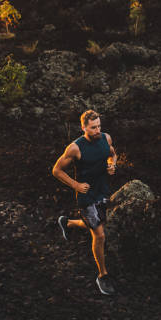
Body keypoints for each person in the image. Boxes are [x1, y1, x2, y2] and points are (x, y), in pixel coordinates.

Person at [52, 110, 118, 295]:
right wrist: (76, 185)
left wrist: (113, 164)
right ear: (83, 128)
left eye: (99, 126)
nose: (97, 130)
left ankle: (68, 222)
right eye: (93, 127)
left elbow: (112, 154)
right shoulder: (75, 148)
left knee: (97, 224)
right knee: (100, 235)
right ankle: (102, 275)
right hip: (86, 195)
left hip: (103, 190)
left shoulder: (106, 138)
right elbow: (56, 170)